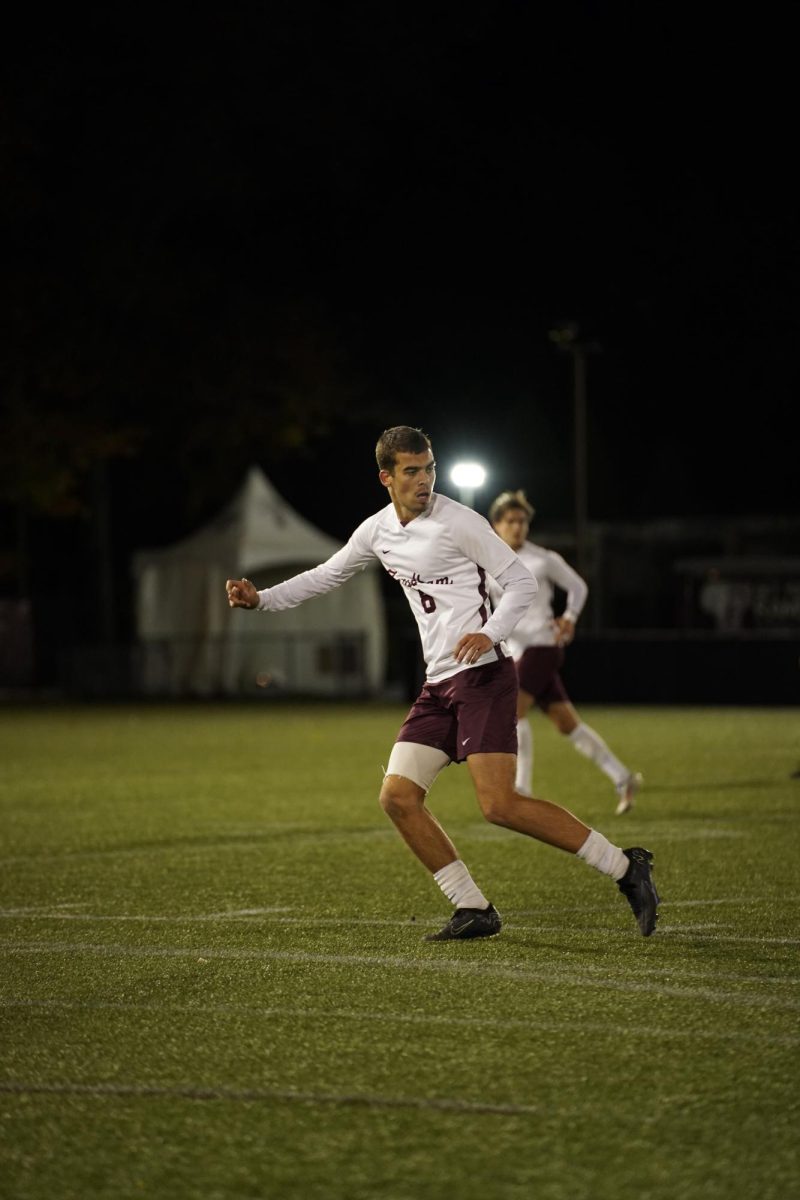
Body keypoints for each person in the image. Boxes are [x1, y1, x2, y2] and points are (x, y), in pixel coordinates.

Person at [226, 427, 659, 940]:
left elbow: (521, 582)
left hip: (484, 677)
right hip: (438, 685)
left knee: (499, 805)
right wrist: (263, 599)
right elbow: (327, 574)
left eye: (429, 468)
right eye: (411, 471)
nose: (424, 480)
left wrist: (490, 632)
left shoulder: (459, 521)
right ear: (386, 477)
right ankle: (473, 908)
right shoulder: (377, 531)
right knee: (397, 797)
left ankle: (627, 869)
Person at [488, 489, 642, 815]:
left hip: (543, 646)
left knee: (512, 712)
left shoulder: (543, 559)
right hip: (518, 651)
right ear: (496, 524)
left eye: (522, 521)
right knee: (566, 723)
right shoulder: (489, 564)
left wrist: (569, 617)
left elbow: (578, 586)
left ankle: (521, 790)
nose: (517, 527)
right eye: (510, 521)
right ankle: (623, 777)